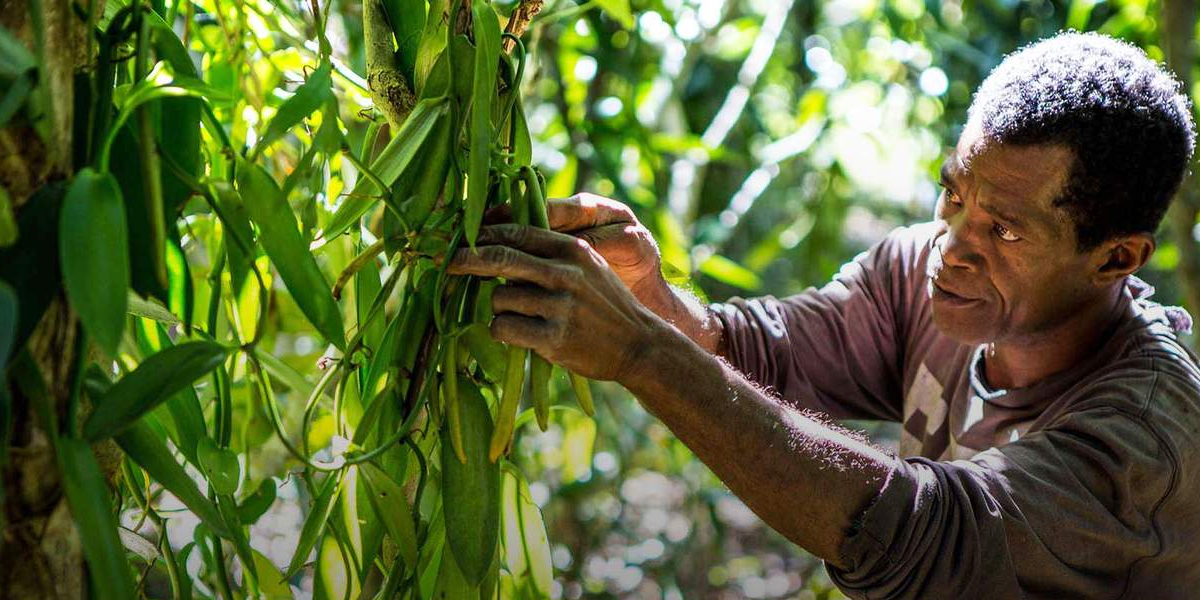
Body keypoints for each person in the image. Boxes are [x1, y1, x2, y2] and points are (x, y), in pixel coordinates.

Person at [449, 31, 1200, 598]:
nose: (952, 247)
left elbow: (923, 538)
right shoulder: (924, 276)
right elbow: (767, 355)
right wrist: (657, 302)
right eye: (953, 195)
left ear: (1115, 259)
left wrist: (644, 353)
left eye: (1003, 230)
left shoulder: (1145, 443)